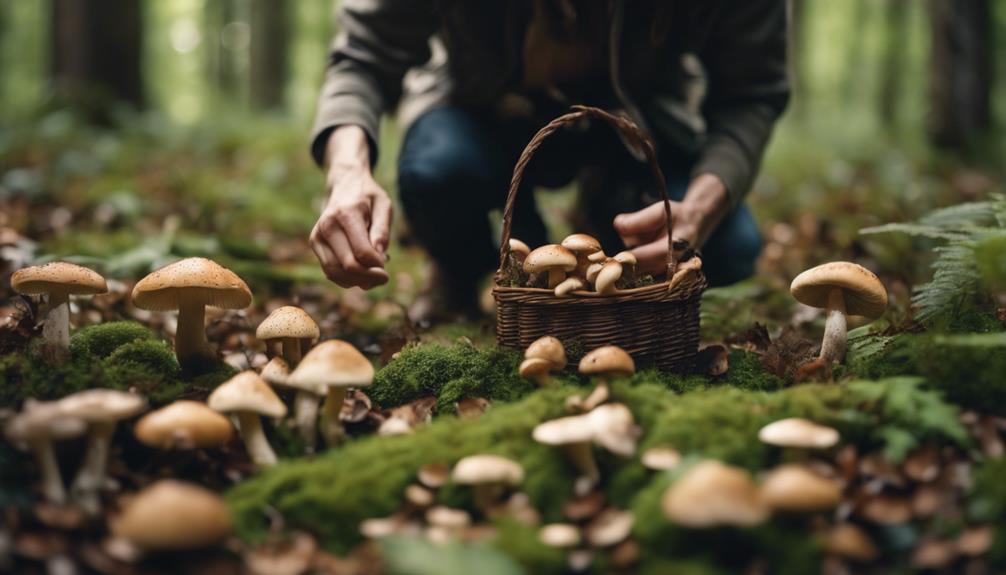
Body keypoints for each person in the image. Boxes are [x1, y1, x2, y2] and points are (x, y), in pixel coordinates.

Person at [309, 0, 789, 321]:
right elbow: (363, 57)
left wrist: (701, 208)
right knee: (438, 174)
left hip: (639, 124)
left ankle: (606, 231)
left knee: (727, 247)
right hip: (479, 108)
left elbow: (752, 93)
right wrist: (348, 173)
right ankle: (465, 266)